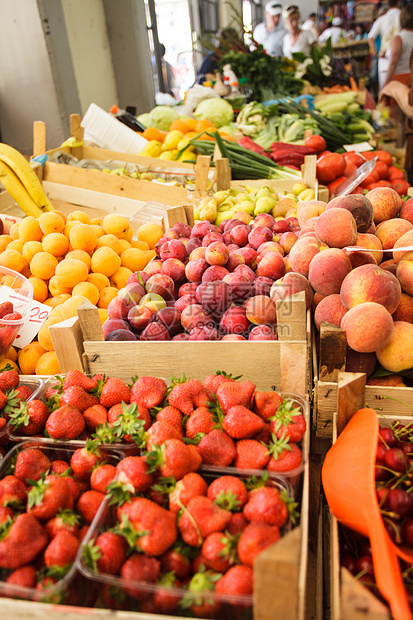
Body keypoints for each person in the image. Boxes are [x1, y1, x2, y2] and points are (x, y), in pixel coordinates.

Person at [382, 4, 413, 146]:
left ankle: (401, 150)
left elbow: (393, 63)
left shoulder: (399, 38)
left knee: (399, 122)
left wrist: (386, 84)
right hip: (410, 80)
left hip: (400, 80)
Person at [368, 0, 401, 91]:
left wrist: (376, 54)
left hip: (385, 63)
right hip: (402, 63)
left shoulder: (382, 19)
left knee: (386, 94)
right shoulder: (404, 17)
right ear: (399, 2)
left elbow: (370, 38)